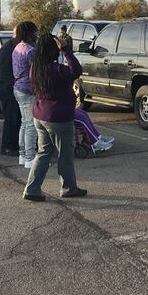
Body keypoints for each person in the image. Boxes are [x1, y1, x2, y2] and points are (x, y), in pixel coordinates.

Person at [23, 34, 87, 201]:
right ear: (53, 50)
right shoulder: (57, 69)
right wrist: (65, 49)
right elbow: (76, 70)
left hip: (40, 115)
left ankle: (32, 189)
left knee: (43, 152)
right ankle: (68, 188)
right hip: (59, 117)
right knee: (65, 154)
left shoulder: (35, 68)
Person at [12, 21, 39, 168]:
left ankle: (22, 155)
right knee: (31, 125)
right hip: (28, 90)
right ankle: (30, 158)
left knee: (24, 123)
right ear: (29, 33)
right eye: (35, 32)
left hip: (18, 88)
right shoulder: (30, 51)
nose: (36, 35)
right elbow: (35, 73)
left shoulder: (17, 47)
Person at [0, 28, 21, 157]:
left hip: (13, 88)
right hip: (6, 88)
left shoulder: (15, 48)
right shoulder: (6, 50)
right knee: (11, 118)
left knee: (17, 118)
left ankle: (15, 144)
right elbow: (4, 73)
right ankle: (7, 147)